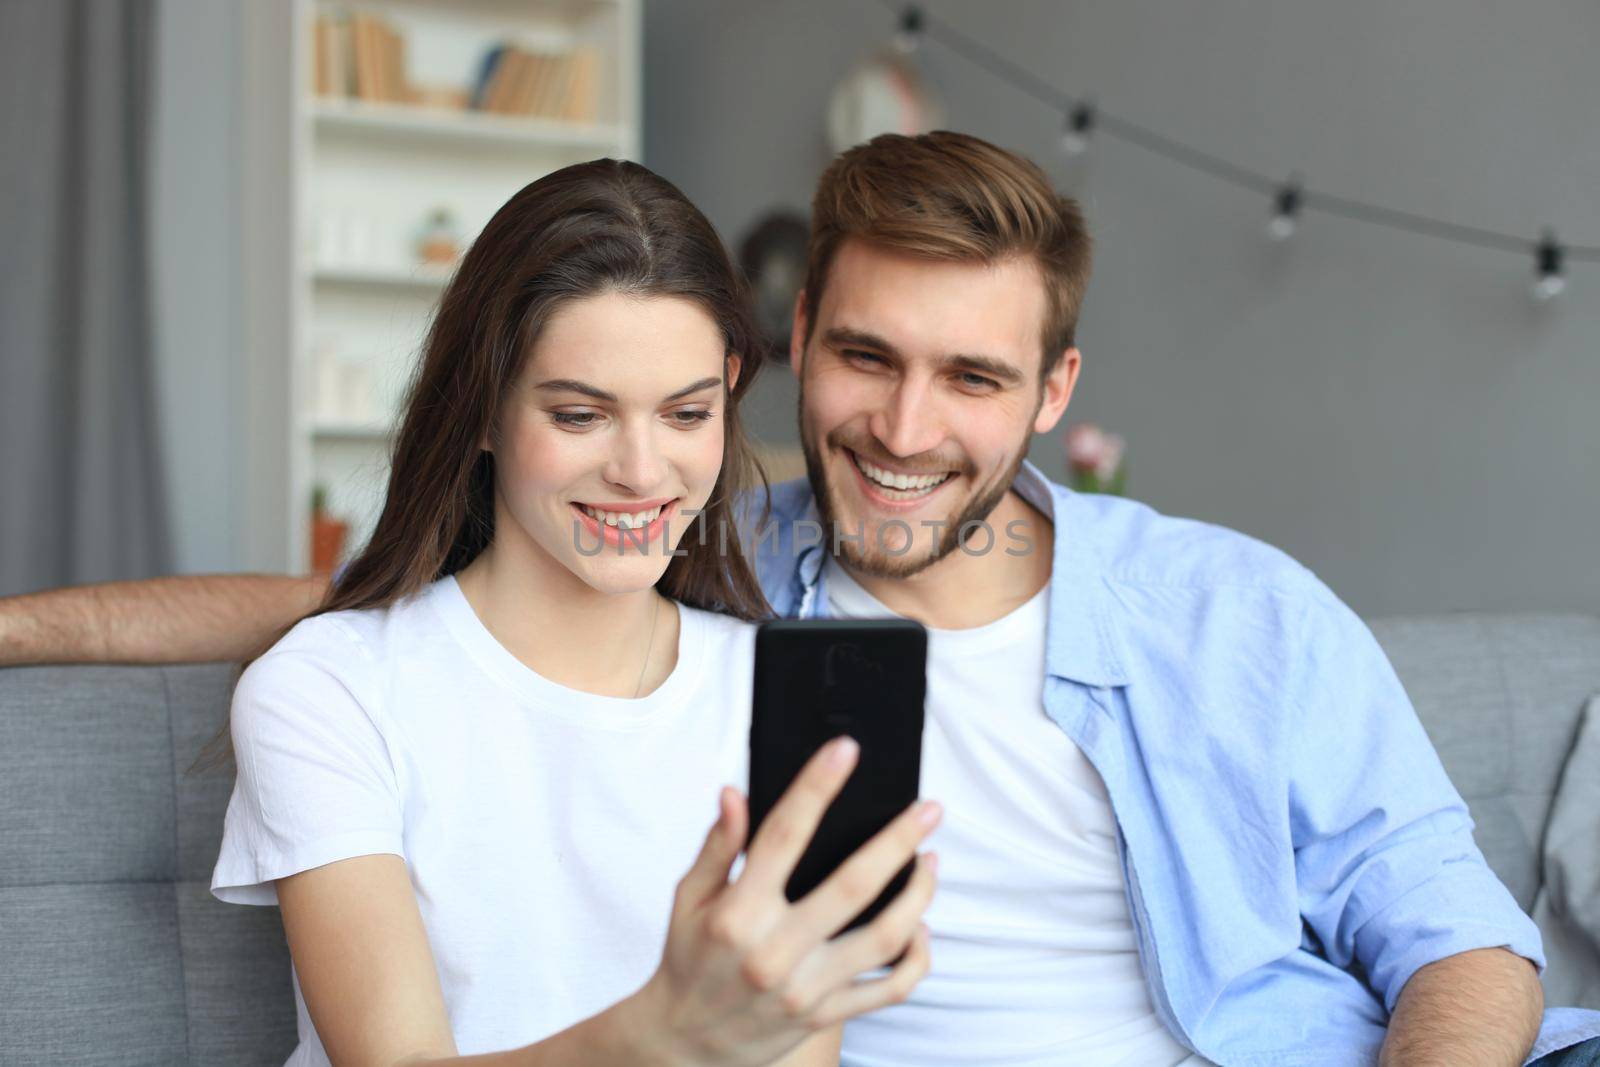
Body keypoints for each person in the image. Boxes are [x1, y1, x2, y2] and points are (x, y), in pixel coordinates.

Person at [4, 132, 1599, 1066]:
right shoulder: (733, 586)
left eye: (972, 376)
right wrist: (21, 625)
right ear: (799, 341)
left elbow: (1462, 942)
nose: (906, 431)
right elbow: (359, 605)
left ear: (1054, 393)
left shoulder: (1231, 611)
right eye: (867, 358)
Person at [193, 159, 940, 1066]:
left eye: (686, 412)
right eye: (581, 415)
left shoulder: (774, 693)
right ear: (482, 408)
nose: (640, 469)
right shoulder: (330, 688)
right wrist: (662, 1031)